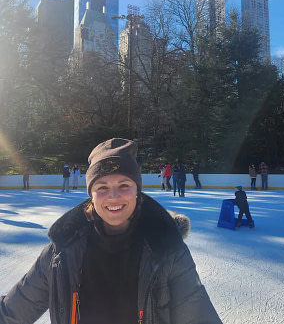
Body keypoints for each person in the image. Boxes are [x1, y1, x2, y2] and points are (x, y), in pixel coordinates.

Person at [0, 138, 223, 324]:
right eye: (102, 187)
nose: (113, 196)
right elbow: (12, 312)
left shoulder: (168, 250)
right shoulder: (61, 252)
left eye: (124, 185)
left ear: (137, 190)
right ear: (91, 194)